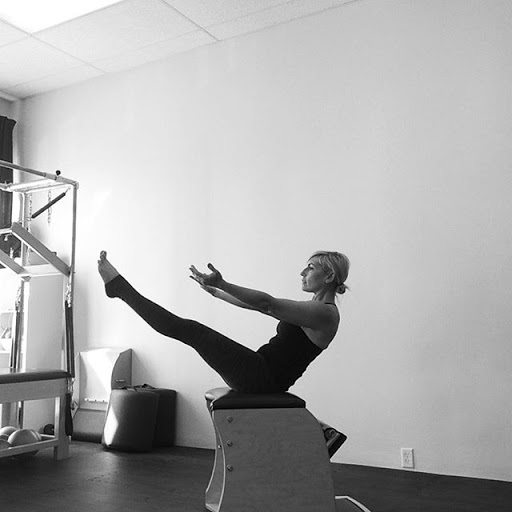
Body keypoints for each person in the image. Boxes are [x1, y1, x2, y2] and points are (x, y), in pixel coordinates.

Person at [97, 249, 350, 456]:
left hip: (262, 377)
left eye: (310, 268)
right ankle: (120, 289)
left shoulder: (325, 314)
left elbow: (267, 304)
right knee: (191, 330)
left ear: (329, 276)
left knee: (191, 330)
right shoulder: (314, 309)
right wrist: (216, 292)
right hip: (262, 371)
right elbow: (260, 306)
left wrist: (223, 283)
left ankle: (120, 288)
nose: (303, 272)